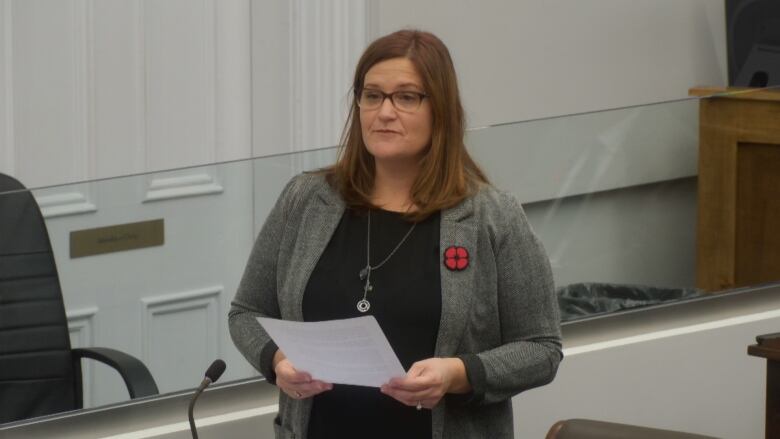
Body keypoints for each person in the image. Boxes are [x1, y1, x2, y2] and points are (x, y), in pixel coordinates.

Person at [229, 29, 562, 439]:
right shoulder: (306, 201)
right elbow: (246, 312)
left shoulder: (490, 216)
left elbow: (542, 348)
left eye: (406, 97)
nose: (384, 112)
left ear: (439, 110)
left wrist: (458, 374)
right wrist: (277, 360)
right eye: (372, 95)